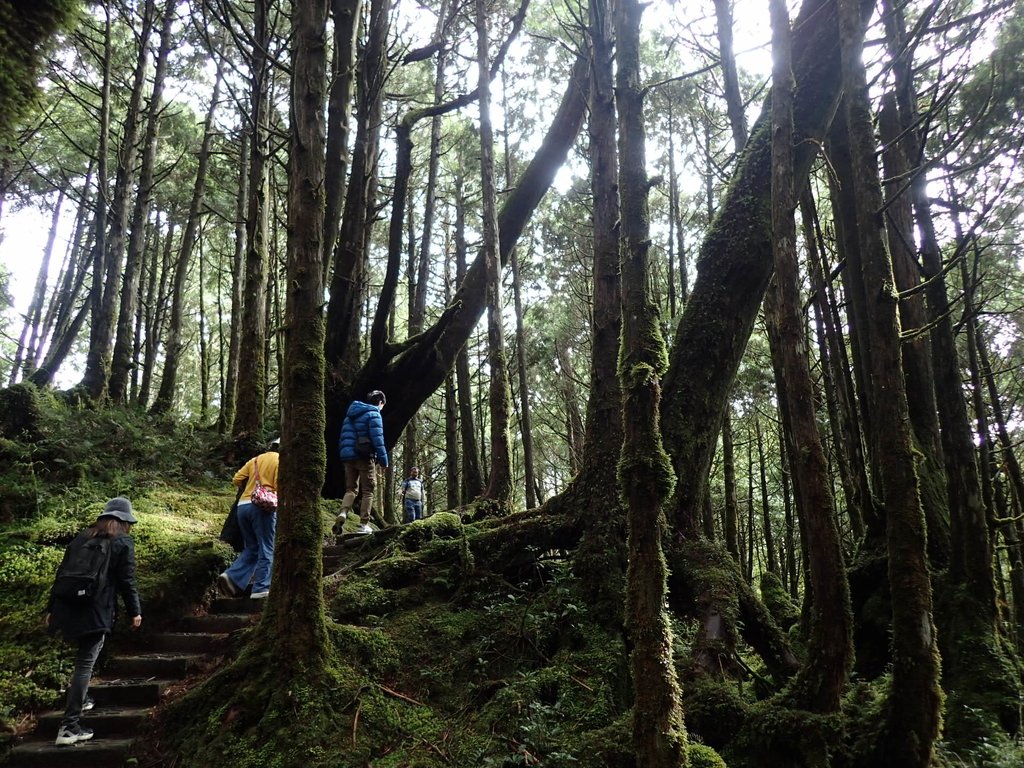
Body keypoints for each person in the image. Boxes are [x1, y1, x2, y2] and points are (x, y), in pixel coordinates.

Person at [47, 497, 142, 746]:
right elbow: (126, 581)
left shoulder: (82, 537)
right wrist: (135, 611)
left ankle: (84, 698)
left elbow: (61, 572)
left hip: (66, 607)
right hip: (95, 609)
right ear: (125, 521)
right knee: (84, 663)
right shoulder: (123, 541)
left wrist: (51, 608)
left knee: (82, 661)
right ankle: (69, 727)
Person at [218, 438, 279, 600]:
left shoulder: (255, 459)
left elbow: (236, 479)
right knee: (267, 547)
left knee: (252, 547)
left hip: (243, 506)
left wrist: (252, 488)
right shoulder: (280, 460)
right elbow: (280, 483)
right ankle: (261, 588)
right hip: (262, 507)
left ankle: (231, 576)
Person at [337, 390, 389, 534]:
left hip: (348, 457)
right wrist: (384, 460)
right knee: (368, 491)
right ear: (380, 402)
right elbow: (378, 439)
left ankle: (343, 512)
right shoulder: (374, 414)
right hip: (364, 456)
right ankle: (363, 524)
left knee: (351, 489)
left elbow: (343, 436)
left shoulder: (350, 414)